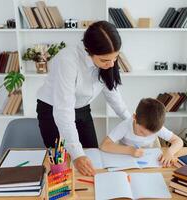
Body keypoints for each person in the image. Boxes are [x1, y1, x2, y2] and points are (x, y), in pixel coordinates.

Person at [36, 21, 131, 176]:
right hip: (53, 111)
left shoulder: (108, 59)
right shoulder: (67, 60)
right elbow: (63, 111)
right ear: (89, 51)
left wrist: (130, 122)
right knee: (63, 164)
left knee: (92, 157)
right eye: (105, 61)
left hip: (82, 109)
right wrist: (77, 154)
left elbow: (113, 94)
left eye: (115, 58)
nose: (111, 64)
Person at [100, 98, 183, 167]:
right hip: (126, 160)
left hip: (149, 163)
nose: (144, 136)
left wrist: (169, 152)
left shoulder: (158, 128)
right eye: (142, 132)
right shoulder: (125, 126)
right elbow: (104, 145)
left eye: (150, 134)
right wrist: (130, 150)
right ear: (134, 117)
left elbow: (178, 141)